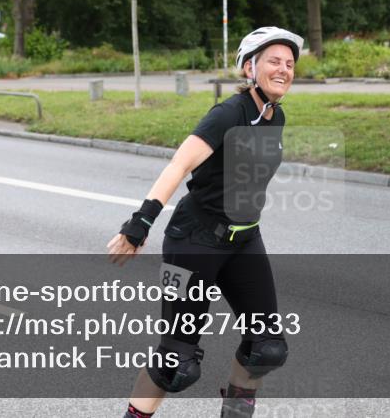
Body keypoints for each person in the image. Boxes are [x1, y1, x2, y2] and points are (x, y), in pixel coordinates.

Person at [108, 26, 302, 418]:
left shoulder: (275, 117)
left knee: (266, 347)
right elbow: (180, 164)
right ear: (250, 67)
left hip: (244, 240)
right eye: (273, 61)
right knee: (176, 361)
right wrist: (140, 222)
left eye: (289, 63)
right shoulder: (228, 113)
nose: (284, 69)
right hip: (192, 243)